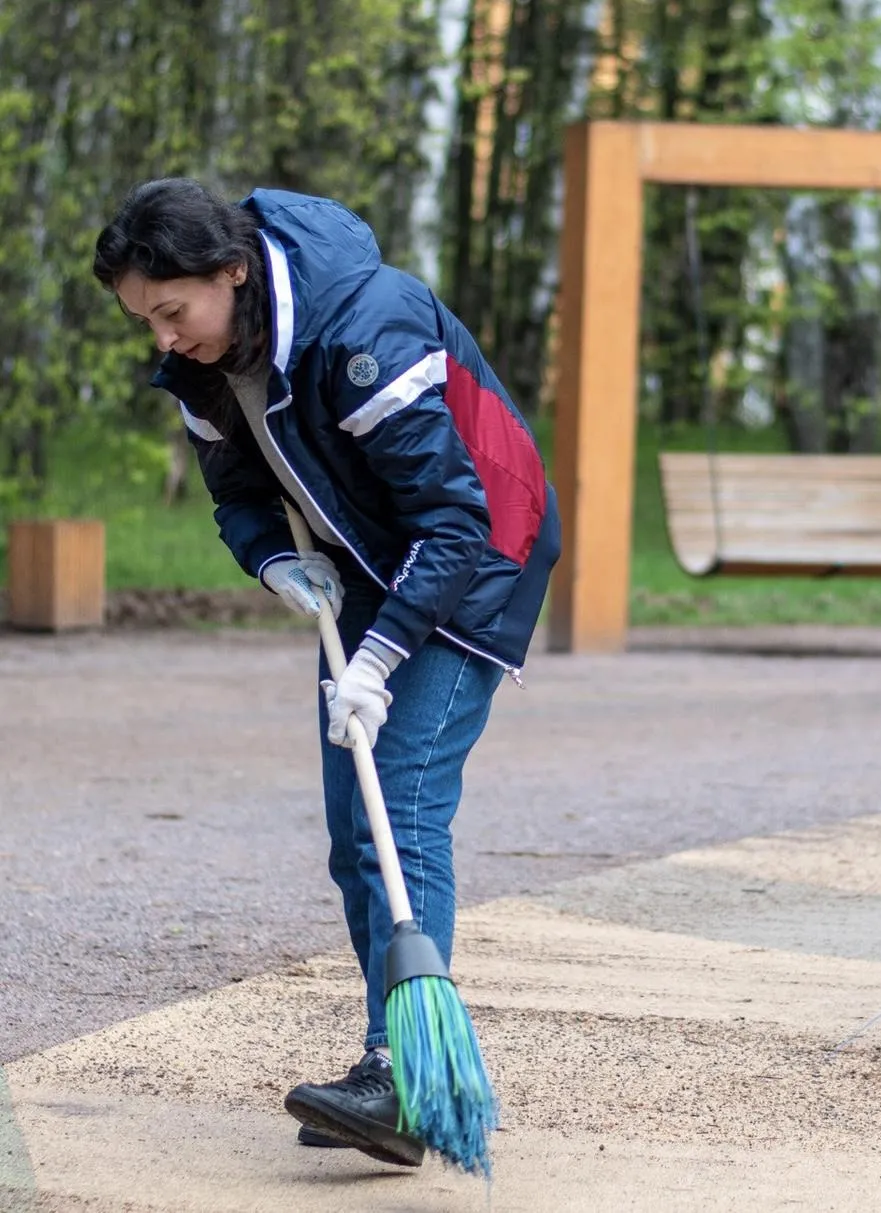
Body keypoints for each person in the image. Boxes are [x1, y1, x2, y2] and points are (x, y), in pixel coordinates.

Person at [93, 179, 561, 1165]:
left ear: (231, 272)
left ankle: (406, 1073)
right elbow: (238, 497)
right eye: (147, 321)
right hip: (360, 565)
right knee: (357, 834)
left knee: (402, 802)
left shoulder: (364, 330)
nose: (165, 339)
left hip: (475, 561)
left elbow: (454, 521)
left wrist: (382, 658)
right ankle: (397, 1066)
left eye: (173, 312)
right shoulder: (204, 363)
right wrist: (273, 561)